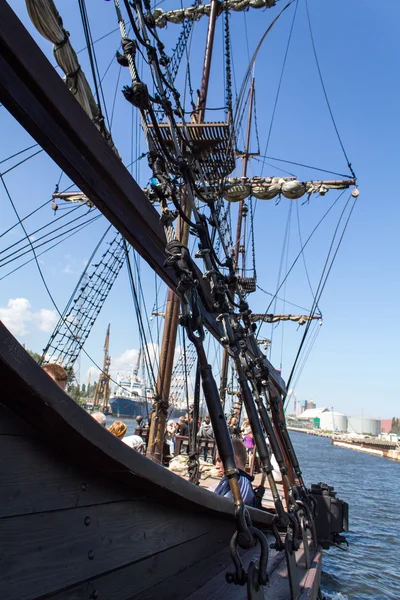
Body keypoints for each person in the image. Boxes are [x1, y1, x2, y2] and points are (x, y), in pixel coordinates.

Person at [213, 438, 256, 507]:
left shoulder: (236, 482)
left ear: (233, 460)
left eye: (219, 460)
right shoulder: (237, 481)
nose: (216, 466)